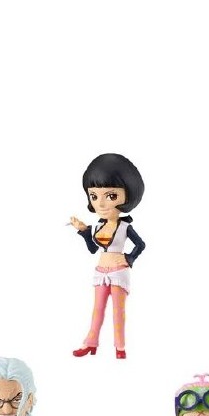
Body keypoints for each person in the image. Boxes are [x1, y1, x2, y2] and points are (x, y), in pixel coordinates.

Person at [69, 153, 146, 360]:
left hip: (119, 272)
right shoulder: (97, 226)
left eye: (110, 196)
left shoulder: (125, 227)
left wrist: (129, 258)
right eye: (94, 196)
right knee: (97, 309)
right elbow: (93, 249)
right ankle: (90, 343)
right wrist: (84, 231)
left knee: (118, 311)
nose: (101, 204)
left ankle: (120, 347)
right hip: (100, 270)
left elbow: (140, 245)